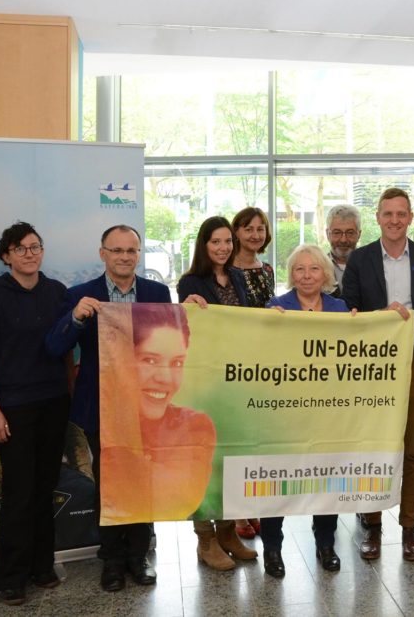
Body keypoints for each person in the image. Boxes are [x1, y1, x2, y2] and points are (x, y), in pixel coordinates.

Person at [45, 224, 172, 593]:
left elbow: (173, 340)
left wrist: (194, 313)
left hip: (147, 407)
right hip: (102, 408)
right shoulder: (81, 295)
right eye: (116, 251)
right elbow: (54, 347)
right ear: (103, 254)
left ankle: (139, 555)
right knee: (110, 484)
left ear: (139, 254)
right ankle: (112, 559)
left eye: (130, 251)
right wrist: (75, 319)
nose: (123, 257)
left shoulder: (156, 293)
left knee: (143, 483)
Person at [0, 222, 70, 605]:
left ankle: (41, 566)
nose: (30, 254)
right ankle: (9, 577)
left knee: (45, 487)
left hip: (53, 402)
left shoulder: (56, 292)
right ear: (6, 255)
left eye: (36, 247)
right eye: (21, 248)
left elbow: (66, 347)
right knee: (19, 491)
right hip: (12, 407)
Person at [342, 187, 414, 562]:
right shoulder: (361, 259)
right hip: (373, 365)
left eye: (402, 214)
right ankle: (372, 527)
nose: (395, 220)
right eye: (388, 214)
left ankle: (410, 530)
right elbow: (348, 308)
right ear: (378, 218)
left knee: (412, 448)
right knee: (375, 445)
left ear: (411, 218)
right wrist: (384, 315)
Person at [260, 244, 350, 578]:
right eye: (300, 269)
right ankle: (272, 548)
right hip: (286, 411)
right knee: (278, 480)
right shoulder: (275, 307)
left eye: (314, 269)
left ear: (325, 273)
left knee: (326, 480)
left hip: (327, 411)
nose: (307, 275)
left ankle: (326, 544)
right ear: (291, 274)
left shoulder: (340, 309)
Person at [176, 216, 256, 571]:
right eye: (216, 242)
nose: (223, 248)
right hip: (206, 382)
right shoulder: (190, 282)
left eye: (227, 242)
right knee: (202, 461)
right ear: (203, 245)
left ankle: (227, 533)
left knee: (229, 460)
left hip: (236, 382)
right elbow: (189, 327)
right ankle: (205, 539)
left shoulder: (238, 277)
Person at [99, 305, 216, 521]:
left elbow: (177, 502)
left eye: (177, 363)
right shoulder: (101, 420)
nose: (165, 378)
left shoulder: (193, 426)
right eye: (150, 360)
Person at [228, 206, 273, 539]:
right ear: (236, 232)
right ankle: (237, 514)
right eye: (248, 229)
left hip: (266, 364)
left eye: (260, 228)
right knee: (238, 440)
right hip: (234, 365)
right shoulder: (225, 269)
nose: (255, 234)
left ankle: (255, 506)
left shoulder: (268, 269)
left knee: (260, 441)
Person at [325, 204, 362, 296]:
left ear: (359, 235)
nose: (343, 240)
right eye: (337, 233)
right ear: (327, 234)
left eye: (350, 233)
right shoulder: (316, 266)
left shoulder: (372, 266)